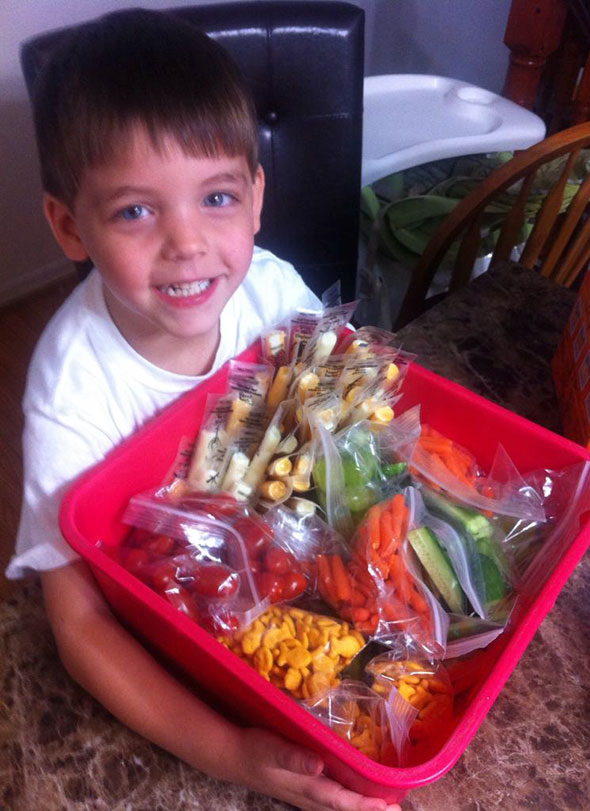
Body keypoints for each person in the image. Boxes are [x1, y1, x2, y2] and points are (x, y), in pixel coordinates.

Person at [6, 9, 401, 811]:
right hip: (183, 643)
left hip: (301, 582)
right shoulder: (71, 389)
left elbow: (335, 411)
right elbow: (78, 625)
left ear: (257, 197)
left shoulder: (269, 287)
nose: (187, 243)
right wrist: (229, 754)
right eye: (134, 211)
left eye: (216, 195)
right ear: (67, 225)